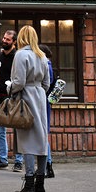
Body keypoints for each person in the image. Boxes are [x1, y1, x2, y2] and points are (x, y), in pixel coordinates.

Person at [8, 26, 50, 192]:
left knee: (28, 142)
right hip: (40, 96)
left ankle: (30, 184)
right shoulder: (42, 55)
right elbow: (47, 83)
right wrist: (39, 93)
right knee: (41, 140)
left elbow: (18, 81)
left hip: (26, 97)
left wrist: (9, 87)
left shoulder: (20, 55)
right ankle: (40, 184)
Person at [0, 30, 24, 172]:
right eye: (4, 38)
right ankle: (3, 160)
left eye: (8, 39)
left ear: (14, 42)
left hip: (15, 95)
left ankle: (18, 161)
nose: (4, 41)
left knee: (17, 129)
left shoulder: (18, 56)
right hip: (1, 95)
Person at [39, 44, 55, 178]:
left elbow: (46, 85)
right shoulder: (48, 65)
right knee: (43, 135)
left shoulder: (46, 65)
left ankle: (48, 165)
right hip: (45, 102)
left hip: (43, 102)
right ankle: (48, 165)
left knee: (42, 135)